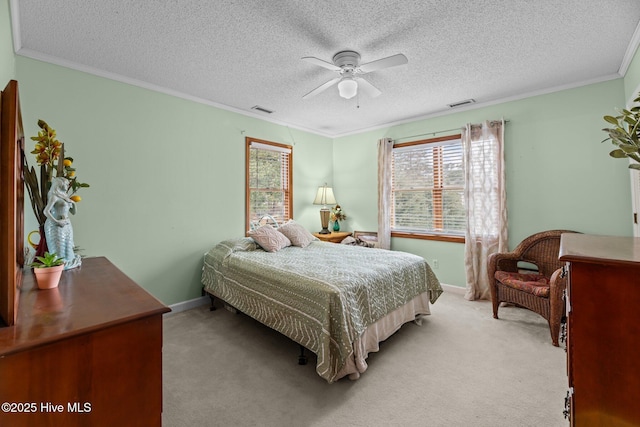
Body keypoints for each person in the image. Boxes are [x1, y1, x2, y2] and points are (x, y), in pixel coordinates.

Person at [44, 176, 82, 270]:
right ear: (59, 184)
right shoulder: (54, 196)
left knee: (69, 249)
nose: (68, 185)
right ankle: (61, 266)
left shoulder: (65, 196)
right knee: (59, 251)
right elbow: (46, 211)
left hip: (67, 225)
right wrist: (57, 221)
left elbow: (73, 212)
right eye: (66, 183)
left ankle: (69, 263)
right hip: (55, 225)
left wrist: (73, 203)